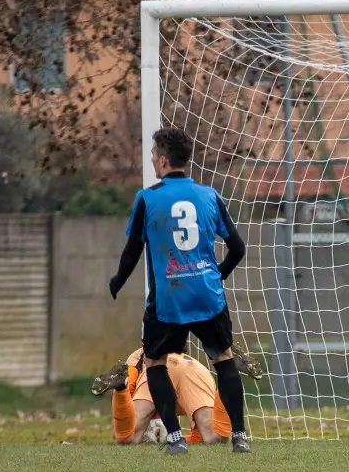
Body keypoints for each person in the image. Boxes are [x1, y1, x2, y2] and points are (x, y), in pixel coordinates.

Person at [109, 127, 250, 455]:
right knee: (224, 359)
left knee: (155, 362)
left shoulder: (148, 197)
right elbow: (238, 248)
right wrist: (217, 278)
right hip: (206, 294)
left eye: (153, 155)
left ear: (161, 158)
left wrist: (118, 280)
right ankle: (240, 436)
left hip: (168, 298)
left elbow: (133, 251)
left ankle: (174, 437)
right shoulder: (210, 195)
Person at [93, 350, 237, 445]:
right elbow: (197, 439)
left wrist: (121, 391)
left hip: (158, 369)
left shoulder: (138, 355)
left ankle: (119, 388)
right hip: (196, 370)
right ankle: (229, 374)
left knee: (128, 437)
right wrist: (168, 439)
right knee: (214, 437)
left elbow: (129, 391)